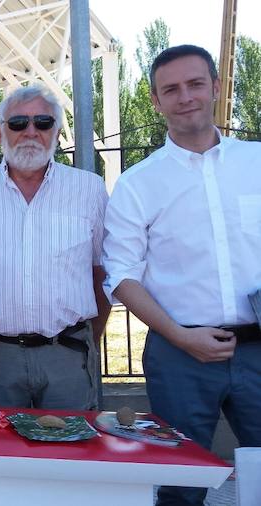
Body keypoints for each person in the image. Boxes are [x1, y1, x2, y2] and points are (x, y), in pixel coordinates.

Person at [103, 44, 261, 506]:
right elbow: (122, 275)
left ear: (215, 86)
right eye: (170, 89)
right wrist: (180, 336)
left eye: (195, 84)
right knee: (178, 485)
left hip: (259, 350)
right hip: (179, 355)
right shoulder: (138, 183)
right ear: (155, 101)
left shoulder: (256, 163)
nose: (185, 96)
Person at [0, 84, 110, 411]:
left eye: (43, 123)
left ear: (57, 131)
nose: (31, 132)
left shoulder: (89, 189)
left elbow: (102, 274)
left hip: (67, 355)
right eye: (17, 123)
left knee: (69, 456)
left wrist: (90, 341)